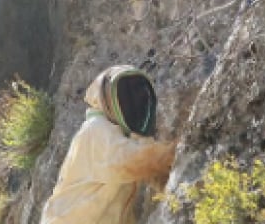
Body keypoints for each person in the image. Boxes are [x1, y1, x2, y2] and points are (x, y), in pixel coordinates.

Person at [40, 66, 176, 224]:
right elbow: (134, 162)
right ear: (107, 99)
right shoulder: (96, 129)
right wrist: (179, 152)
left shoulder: (119, 136)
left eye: (139, 97)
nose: (134, 102)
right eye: (126, 96)